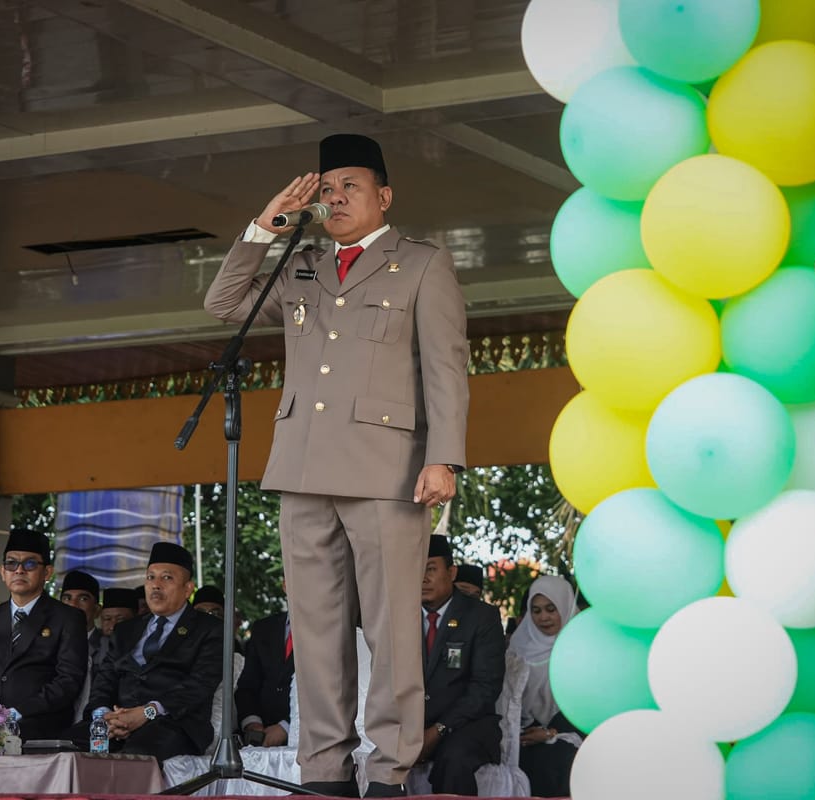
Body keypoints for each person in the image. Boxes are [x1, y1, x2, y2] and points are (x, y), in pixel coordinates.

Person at [205, 133, 469, 797]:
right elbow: (222, 303)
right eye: (326, 189)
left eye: (350, 186)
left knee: (391, 633)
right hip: (301, 470)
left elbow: (446, 368)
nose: (335, 197)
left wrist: (445, 458)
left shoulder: (422, 265)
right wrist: (267, 227)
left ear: (384, 195)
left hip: (387, 471)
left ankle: (387, 772)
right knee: (316, 635)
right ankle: (324, 772)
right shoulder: (303, 264)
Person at [72, 542, 222, 759]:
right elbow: (104, 680)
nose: (156, 585)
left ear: (188, 589)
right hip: (114, 723)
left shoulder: (209, 629)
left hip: (173, 725)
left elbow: (199, 685)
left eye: (167, 578)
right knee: (62, 747)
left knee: (135, 758)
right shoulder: (126, 629)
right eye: (150, 577)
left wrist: (146, 713)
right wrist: (104, 717)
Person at [0, 530, 88, 740]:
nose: (19, 570)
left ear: (47, 572)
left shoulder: (67, 618)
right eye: (11, 563)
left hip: (42, 727)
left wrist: (19, 712)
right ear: (2, 572)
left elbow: (68, 681)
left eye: (29, 564)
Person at [417, 536, 505, 795]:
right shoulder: (401, 615)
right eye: (417, 569)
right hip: (412, 724)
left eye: (431, 569)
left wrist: (438, 730)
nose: (422, 578)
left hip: (468, 725)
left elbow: (485, 688)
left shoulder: (481, 617)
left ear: (451, 572)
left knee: (454, 760)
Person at [508, 575, 582, 797]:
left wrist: (551, 734)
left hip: (571, 735)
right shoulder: (518, 650)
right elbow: (508, 703)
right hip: (526, 735)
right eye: (536, 610)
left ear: (565, 606)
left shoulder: (581, 649)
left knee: (556, 760)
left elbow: (588, 706)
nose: (543, 617)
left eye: (551, 609)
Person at [235, 594, 294, 748]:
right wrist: (252, 723)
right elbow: (247, 685)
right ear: (285, 586)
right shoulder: (263, 628)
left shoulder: (328, 630)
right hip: (259, 740)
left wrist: (286, 727)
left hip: (306, 738)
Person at [60, 570, 103, 654]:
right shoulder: (47, 643)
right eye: (67, 598)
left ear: (97, 610)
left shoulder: (109, 646)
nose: (73, 605)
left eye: (83, 599)